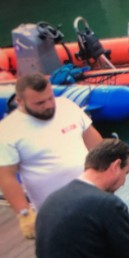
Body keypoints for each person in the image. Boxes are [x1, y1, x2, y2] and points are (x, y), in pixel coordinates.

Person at [0, 73, 103, 239]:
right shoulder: (8, 130)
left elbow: (96, 145)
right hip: (54, 215)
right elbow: (7, 177)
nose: (48, 105)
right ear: (20, 102)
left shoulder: (67, 106)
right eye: (40, 103)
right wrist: (24, 214)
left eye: (50, 98)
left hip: (95, 201)